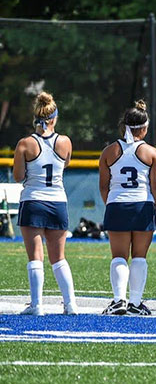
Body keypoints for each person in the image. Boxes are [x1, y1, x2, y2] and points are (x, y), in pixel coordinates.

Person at [12, 91, 78, 316]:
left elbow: (18, 176)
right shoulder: (65, 141)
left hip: (33, 201)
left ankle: (37, 305)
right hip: (58, 202)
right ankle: (71, 305)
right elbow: (65, 163)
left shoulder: (25, 143)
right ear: (54, 117)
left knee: (35, 256)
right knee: (59, 258)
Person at [98, 100, 156, 315]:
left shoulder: (109, 151)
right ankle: (135, 303)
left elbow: (103, 186)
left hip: (117, 205)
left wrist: (113, 204)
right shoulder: (152, 153)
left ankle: (119, 301)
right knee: (139, 256)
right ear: (144, 129)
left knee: (118, 256)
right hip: (143, 206)